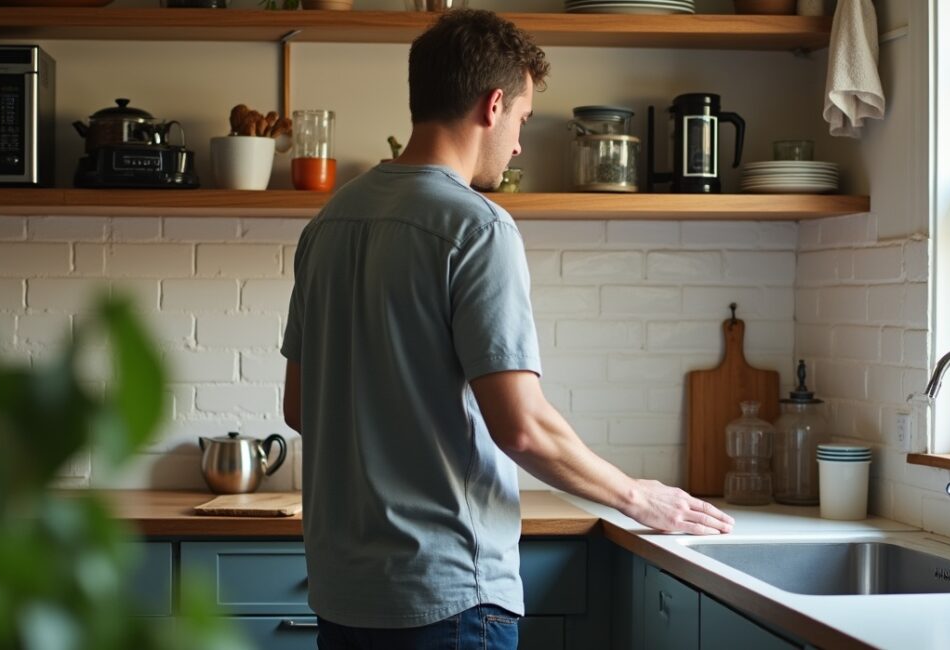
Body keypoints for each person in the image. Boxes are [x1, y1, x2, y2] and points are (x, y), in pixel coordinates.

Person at [280, 9, 734, 649]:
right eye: (521, 119)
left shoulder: (327, 226)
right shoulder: (475, 226)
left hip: (344, 596)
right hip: (447, 596)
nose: (519, 143)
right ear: (493, 105)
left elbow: (299, 407)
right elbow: (521, 425)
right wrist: (637, 497)